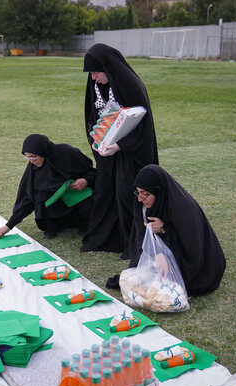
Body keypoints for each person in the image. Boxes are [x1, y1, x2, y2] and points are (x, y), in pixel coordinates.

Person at [81, 43, 159, 258]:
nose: (94, 77)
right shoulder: (95, 84)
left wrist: (120, 145)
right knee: (105, 190)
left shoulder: (129, 84)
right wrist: (95, 141)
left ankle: (132, 242)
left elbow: (142, 124)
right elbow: (90, 117)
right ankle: (103, 237)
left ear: (107, 67)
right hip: (106, 151)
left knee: (126, 193)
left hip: (129, 153)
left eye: (96, 72)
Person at [107, 165, 226, 296]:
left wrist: (164, 230)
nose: (140, 199)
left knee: (166, 285)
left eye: (146, 194)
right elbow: (139, 235)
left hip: (194, 262)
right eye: (138, 192)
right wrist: (157, 253)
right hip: (161, 253)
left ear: (159, 191)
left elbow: (192, 248)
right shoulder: (140, 203)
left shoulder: (184, 209)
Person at [0, 134, 96, 240]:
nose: (31, 161)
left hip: (76, 196)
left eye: (33, 156)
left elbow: (92, 172)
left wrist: (85, 180)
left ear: (42, 151)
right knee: (39, 197)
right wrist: (8, 226)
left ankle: (85, 224)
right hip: (57, 202)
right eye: (27, 157)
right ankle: (54, 226)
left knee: (88, 203)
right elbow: (27, 198)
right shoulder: (34, 168)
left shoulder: (67, 153)